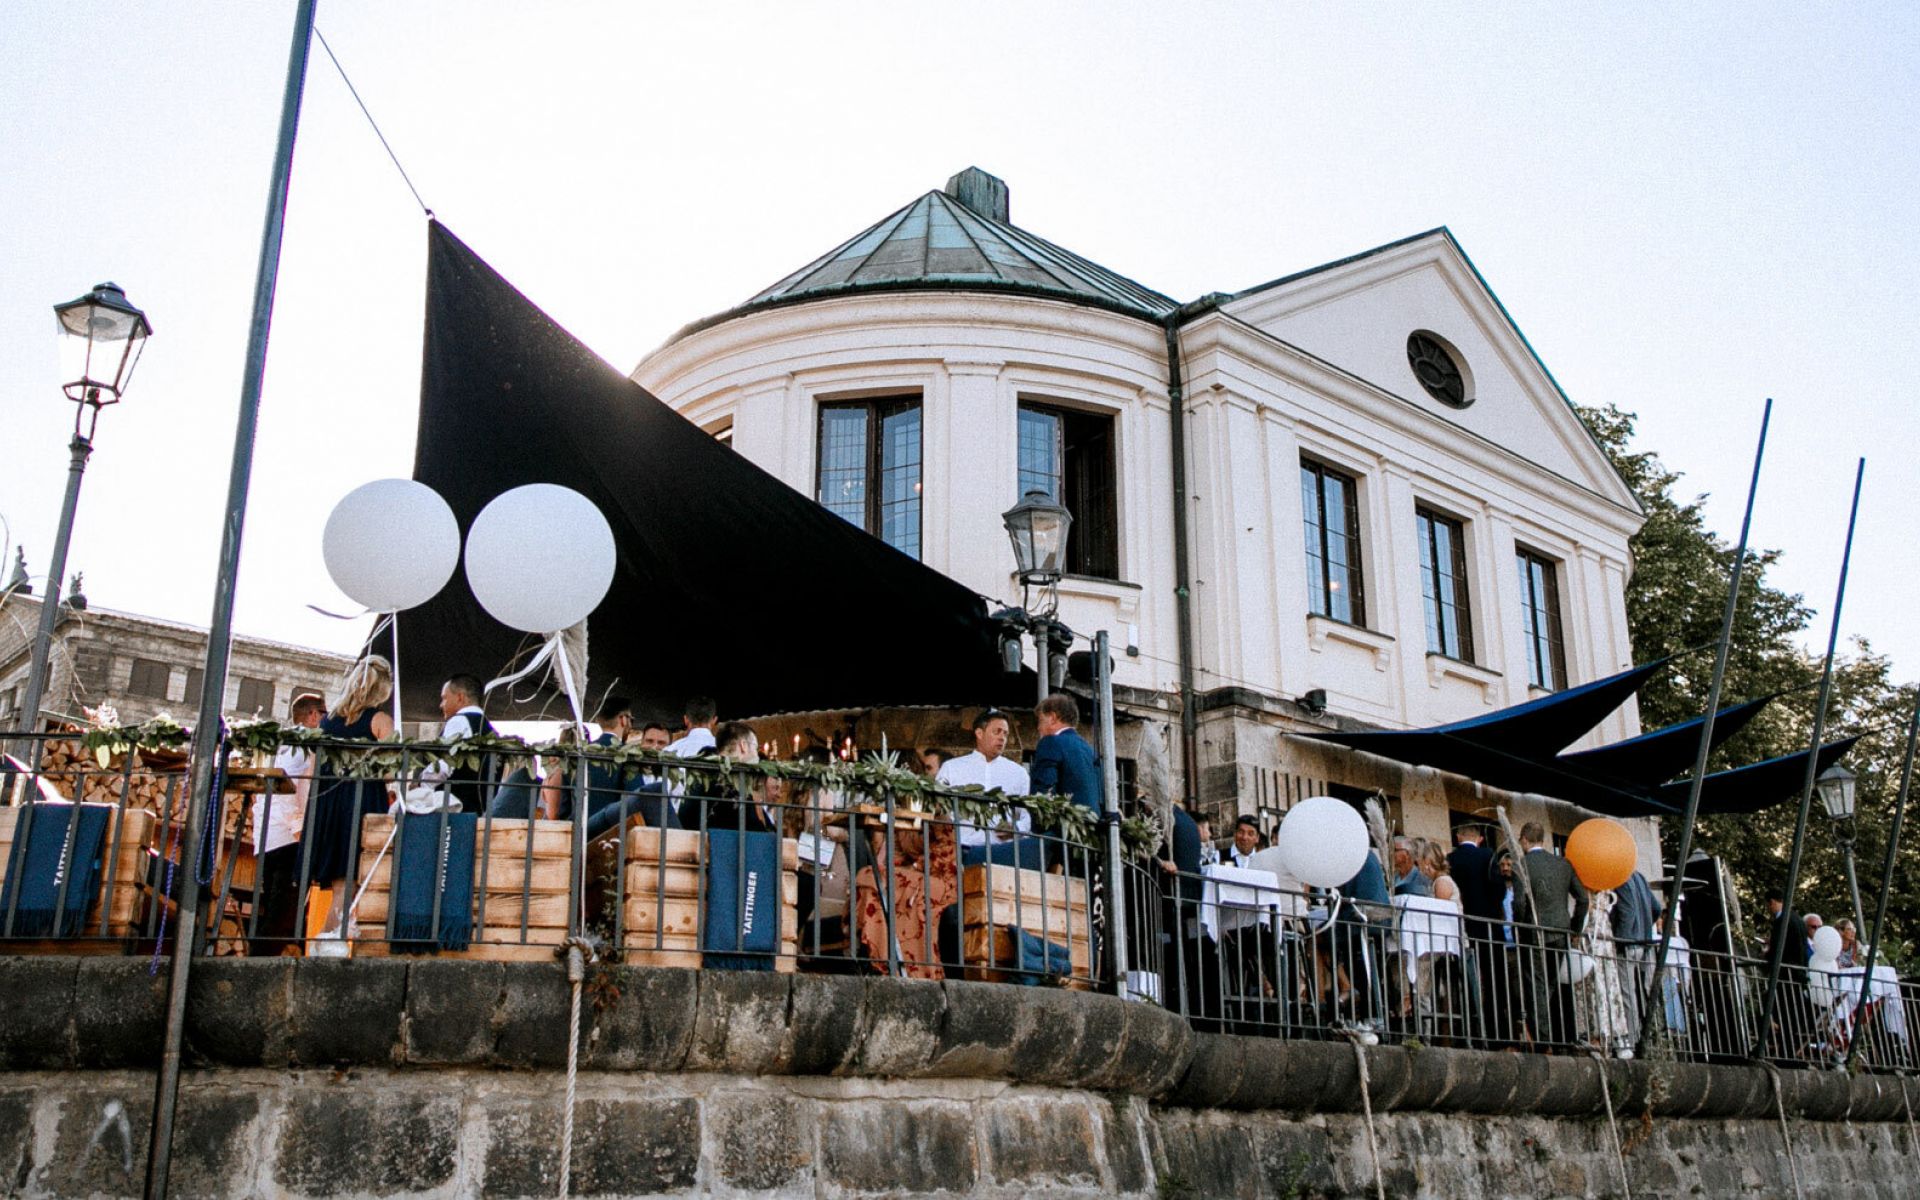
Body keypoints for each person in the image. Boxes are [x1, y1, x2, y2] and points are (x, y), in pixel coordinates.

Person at [304, 656, 396, 937]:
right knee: (350, 881)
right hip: (361, 801)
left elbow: (313, 767)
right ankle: (329, 941)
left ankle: (332, 937)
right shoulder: (380, 721)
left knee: (340, 883)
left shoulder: (329, 721)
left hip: (328, 802)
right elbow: (389, 771)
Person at [250, 692, 324, 955]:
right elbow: (300, 791)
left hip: (266, 834)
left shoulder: (278, 744)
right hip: (287, 835)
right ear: (313, 715)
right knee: (284, 909)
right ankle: (263, 961)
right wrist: (301, 829)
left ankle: (262, 955)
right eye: (322, 715)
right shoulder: (303, 747)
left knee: (272, 903)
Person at [1515, 822, 1588, 1049]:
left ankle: (1543, 1039)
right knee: (1553, 983)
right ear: (1543, 840)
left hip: (1535, 932)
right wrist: (1575, 930)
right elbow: (1583, 900)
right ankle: (1562, 1037)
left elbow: (1519, 903)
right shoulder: (1563, 864)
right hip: (1561, 931)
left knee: (1536, 985)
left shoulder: (1523, 864)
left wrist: (1521, 925)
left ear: (1524, 840)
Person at [936, 709, 1036, 867]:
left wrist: (1016, 828)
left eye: (1005, 733)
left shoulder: (1019, 773)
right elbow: (940, 809)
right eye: (997, 731)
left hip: (1004, 852)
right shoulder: (952, 768)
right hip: (962, 848)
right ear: (979, 733)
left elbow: (1027, 816)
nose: (1002, 737)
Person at [1027, 693, 1103, 824]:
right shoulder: (1090, 751)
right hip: (1090, 835)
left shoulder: (1050, 742)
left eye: (1040, 721)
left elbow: (1042, 795)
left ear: (1052, 717)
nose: (1038, 728)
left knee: (984, 845)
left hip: (1059, 834)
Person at [434, 674, 496, 811]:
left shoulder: (458, 721)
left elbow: (445, 765)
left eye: (444, 698)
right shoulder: (489, 729)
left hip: (454, 807)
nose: (441, 704)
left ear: (460, 697)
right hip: (480, 809)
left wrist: (422, 783)